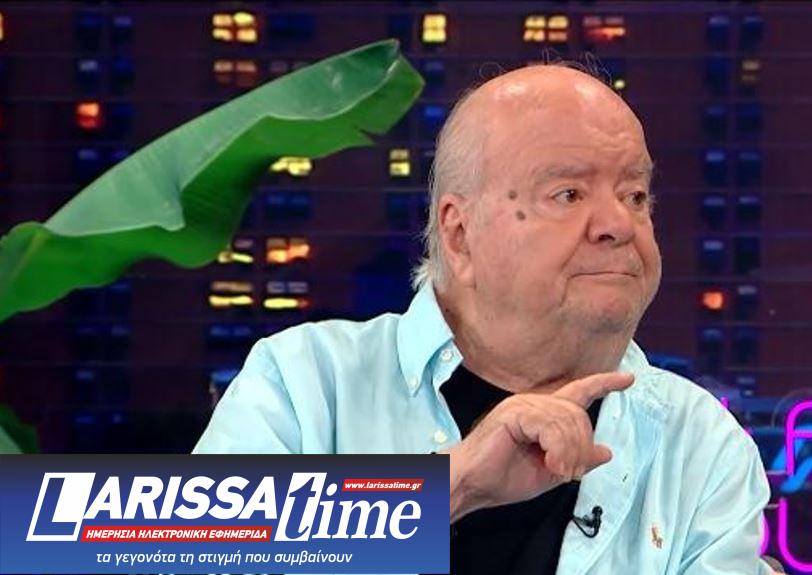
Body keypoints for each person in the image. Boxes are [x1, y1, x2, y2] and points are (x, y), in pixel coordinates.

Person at [194, 63, 774, 574]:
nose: (618, 225)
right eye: (569, 194)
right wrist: (451, 486)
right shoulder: (305, 381)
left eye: (635, 196)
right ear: (460, 234)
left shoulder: (699, 442)